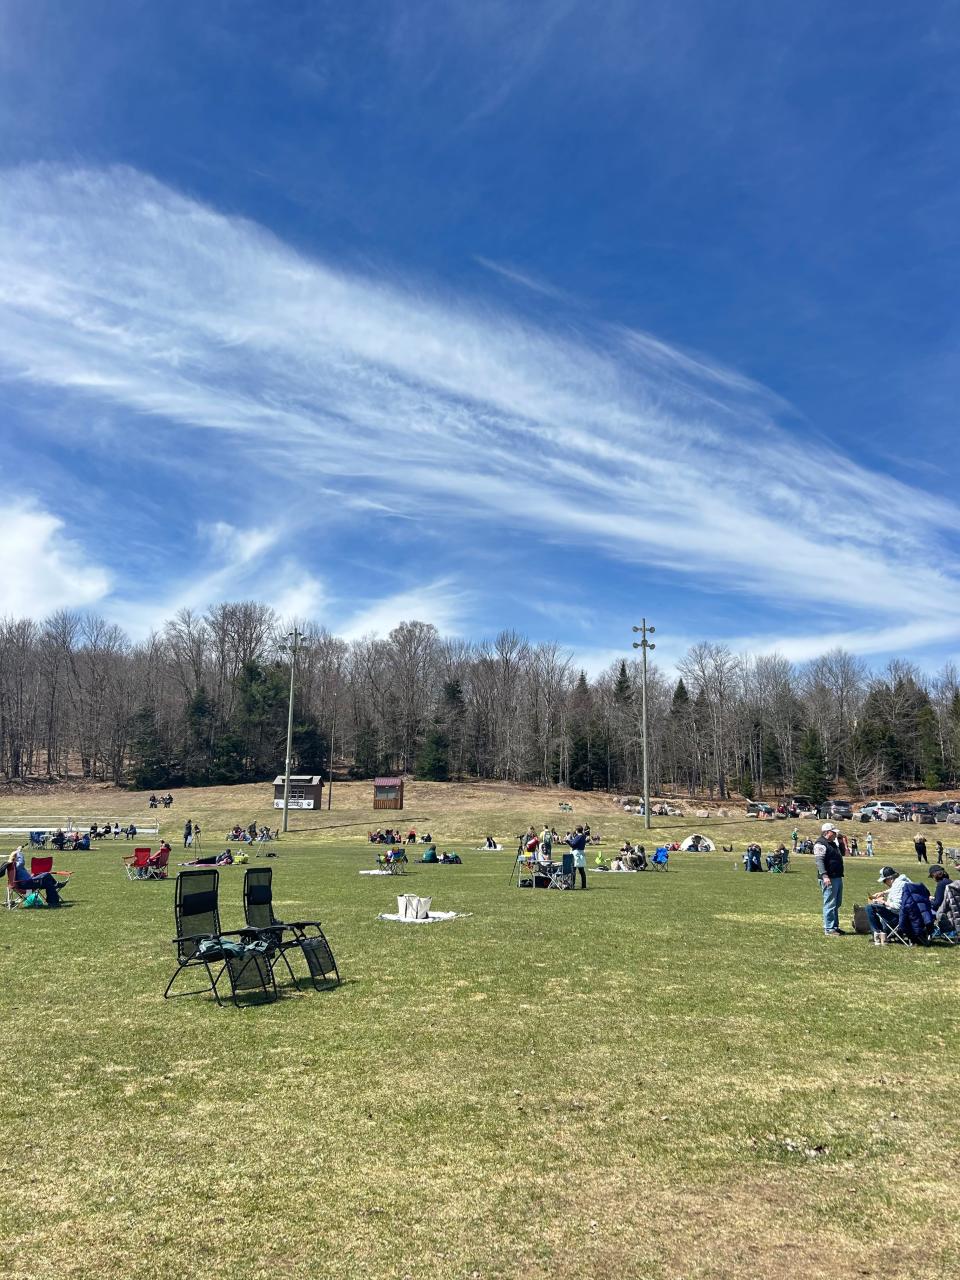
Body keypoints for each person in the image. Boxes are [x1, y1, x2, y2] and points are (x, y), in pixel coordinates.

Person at [814, 821, 845, 936]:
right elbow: (819, 861)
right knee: (830, 903)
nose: (836, 834)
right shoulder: (820, 844)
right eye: (834, 832)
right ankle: (829, 928)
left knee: (837, 903)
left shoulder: (832, 843)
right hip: (829, 877)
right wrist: (824, 875)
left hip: (837, 876)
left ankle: (835, 926)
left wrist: (841, 842)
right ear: (827, 832)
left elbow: (843, 853)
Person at [865, 866, 911, 943]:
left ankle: (878, 935)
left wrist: (883, 902)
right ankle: (883, 932)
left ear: (890, 878)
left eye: (884, 881)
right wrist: (883, 892)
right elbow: (896, 889)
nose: (884, 883)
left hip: (898, 917)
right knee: (875, 906)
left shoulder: (897, 886)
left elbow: (897, 906)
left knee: (869, 907)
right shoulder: (904, 881)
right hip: (908, 915)